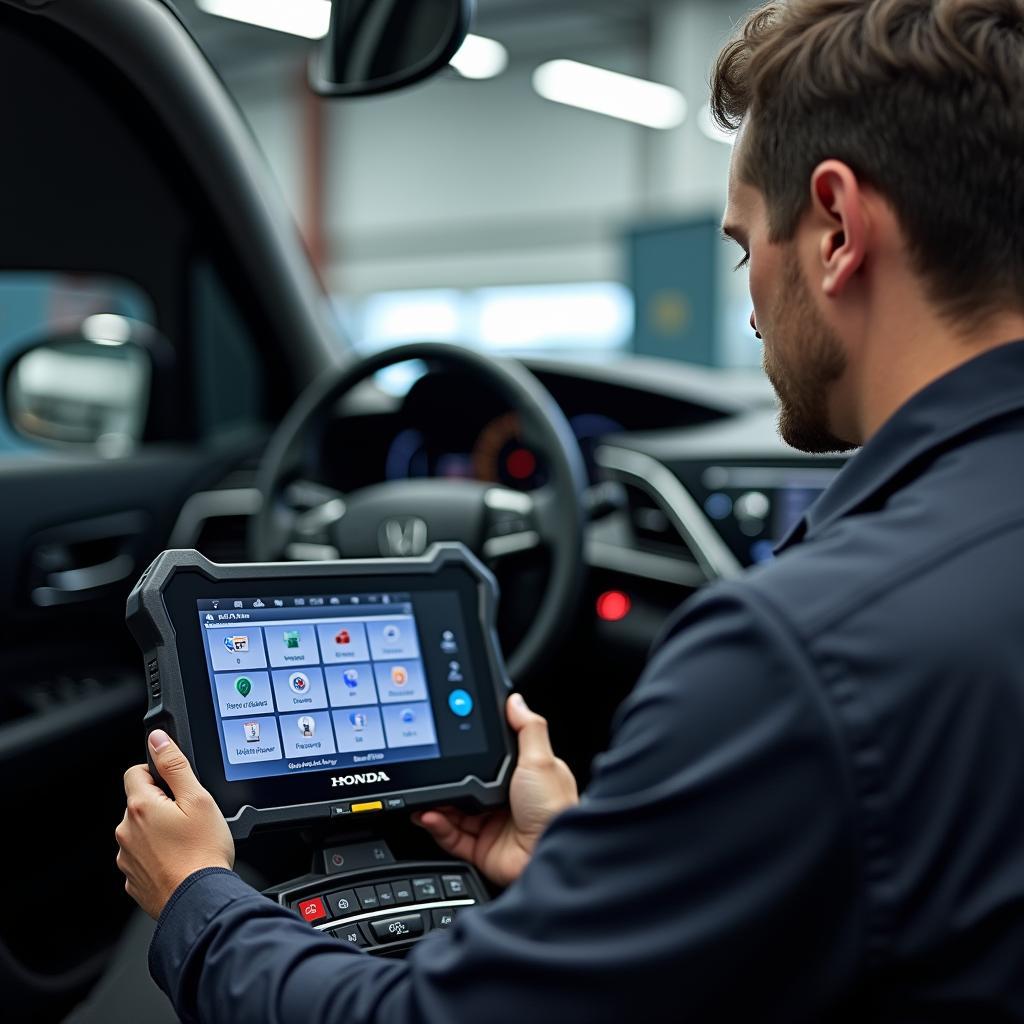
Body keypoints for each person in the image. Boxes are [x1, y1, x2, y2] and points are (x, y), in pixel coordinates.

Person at [113, 1, 1024, 1020]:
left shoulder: (795, 658)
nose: (754, 304)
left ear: (836, 229)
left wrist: (199, 899)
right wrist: (597, 864)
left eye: (743, 248)